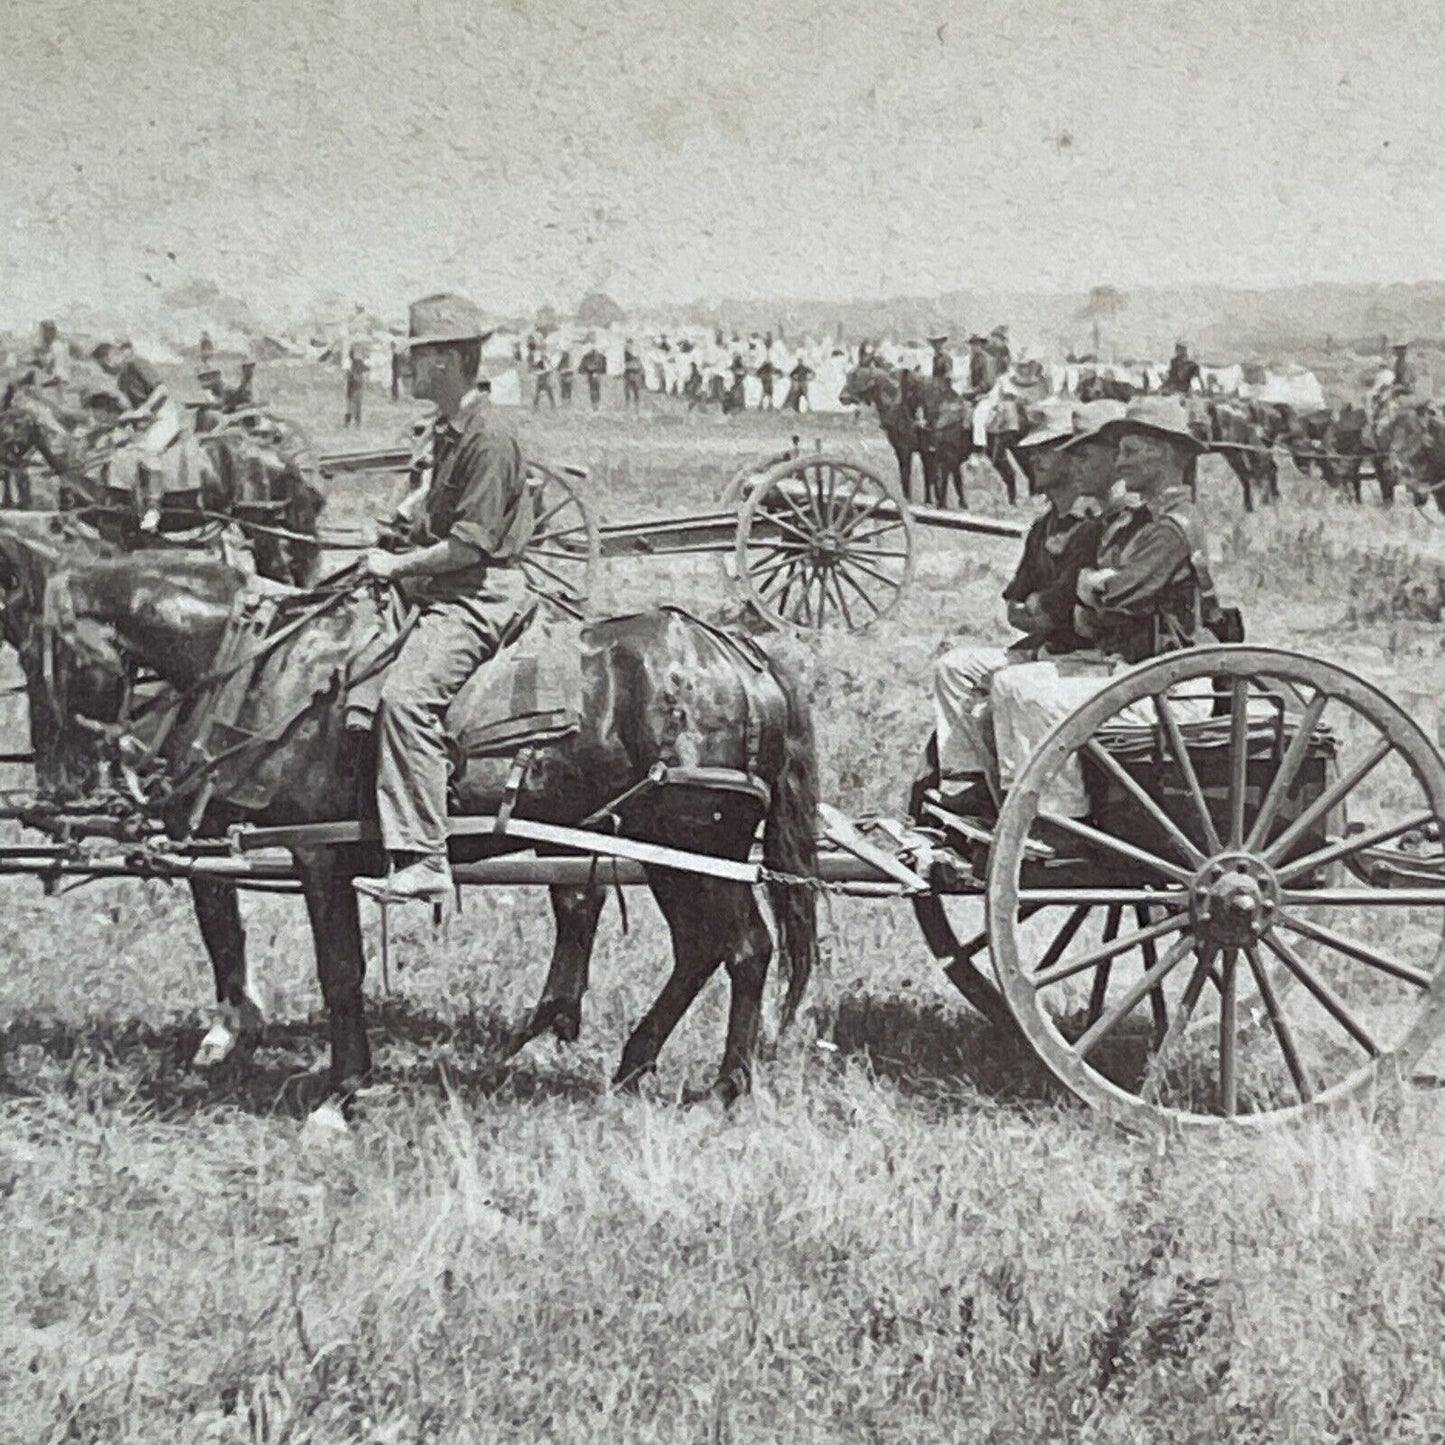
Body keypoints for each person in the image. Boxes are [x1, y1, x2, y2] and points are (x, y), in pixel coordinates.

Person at [353, 310, 536, 903]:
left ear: (453, 361)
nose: (410, 366)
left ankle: (427, 858)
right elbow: (439, 496)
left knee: (406, 700)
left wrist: (396, 565)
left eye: (420, 356)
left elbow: (467, 546)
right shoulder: (452, 428)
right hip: (448, 587)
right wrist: (405, 515)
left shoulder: (489, 437)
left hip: (479, 596)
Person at [984, 396, 1218, 817]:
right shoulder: (1146, 523)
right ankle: (1020, 810)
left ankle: (1060, 819)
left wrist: (1090, 590)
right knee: (1009, 684)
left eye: (1129, 452)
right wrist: (1091, 592)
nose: (1120, 463)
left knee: (1024, 689)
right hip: (1138, 675)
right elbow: (1093, 598)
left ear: (1162, 455)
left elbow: (1114, 595)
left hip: (1171, 687)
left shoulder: (1171, 528)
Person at [929, 401, 1119, 816]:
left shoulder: (1094, 526)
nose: (1032, 458)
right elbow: (1016, 609)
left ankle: (1039, 811)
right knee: (954, 666)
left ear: (1073, 457)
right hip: (1049, 647)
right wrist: (1038, 610)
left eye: (1046, 450)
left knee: (1014, 684)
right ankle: (969, 785)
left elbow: (1052, 611)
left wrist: (1040, 610)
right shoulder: (1043, 528)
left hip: (1076, 656)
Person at [92, 340, 189, 532]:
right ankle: (127, 503)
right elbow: (133, 410)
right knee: (118, 450)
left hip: (164, 416)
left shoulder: (137, 364)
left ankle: (153, 508)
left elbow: (161, 391)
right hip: (147, 423)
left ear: (112, 356)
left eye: (104, 365)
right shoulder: (121, 381)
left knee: (149, 452)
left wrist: (143, 410)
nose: (105, 370)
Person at [579, 340, 607, 410]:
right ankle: (595, 405)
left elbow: (582, 367)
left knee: (594, 389)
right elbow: (603, 366)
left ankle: (595, 405)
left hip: (592, 374)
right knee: (595, 389)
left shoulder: (588, 356)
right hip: (593, 374)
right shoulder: (597, 356)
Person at [344, 346, 367, 427]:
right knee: (357, 406)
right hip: (357, 387)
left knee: (350, 406)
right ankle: (357, 423)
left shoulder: (350, 363)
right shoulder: (359, 362)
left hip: (352, 387)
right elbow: (366, 369)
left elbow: (347, 375)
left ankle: (348, 423)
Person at [623, 343, 646, 409]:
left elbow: (640, 367)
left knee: (632, 391)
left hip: (632, 372)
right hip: (631, 372)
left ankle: (632, 405)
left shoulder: (632, 357)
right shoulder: (630, 357)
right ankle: (632, 405)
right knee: (632, 391)